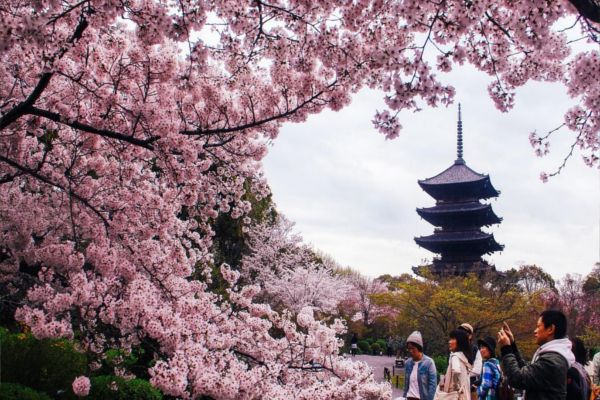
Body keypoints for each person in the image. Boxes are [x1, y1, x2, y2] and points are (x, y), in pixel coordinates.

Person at [497, 310, 575, 400]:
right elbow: (526, 372)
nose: (535, 331)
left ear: (550, 329)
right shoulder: (553, 356)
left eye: (538, 326)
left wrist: (506, 349)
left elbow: (518, 379)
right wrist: (512, 345)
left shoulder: (552, 361)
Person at [437, 329, 473, 400]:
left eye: (453, 339)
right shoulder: (464, 358)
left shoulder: (455, 356)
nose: (449, 342)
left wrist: (454, 387)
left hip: (455, 396)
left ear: (460, 341)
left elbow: (456, 370)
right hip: (465, 395)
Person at [403, 331, 437, 400]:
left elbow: (432, 387)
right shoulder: (407, 363)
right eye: (409, 348)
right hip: (409, 397)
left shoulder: (429, 363)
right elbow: (406, 385)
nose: (410, 351)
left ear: (419, 348)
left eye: (413, 348)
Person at [458, 322, 483, 398]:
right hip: (456, 388)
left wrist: (463, 373)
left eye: (464, 333)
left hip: (470, 387)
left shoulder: (475, 350)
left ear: (470, 336)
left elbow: (477, 370)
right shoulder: (455, 349)